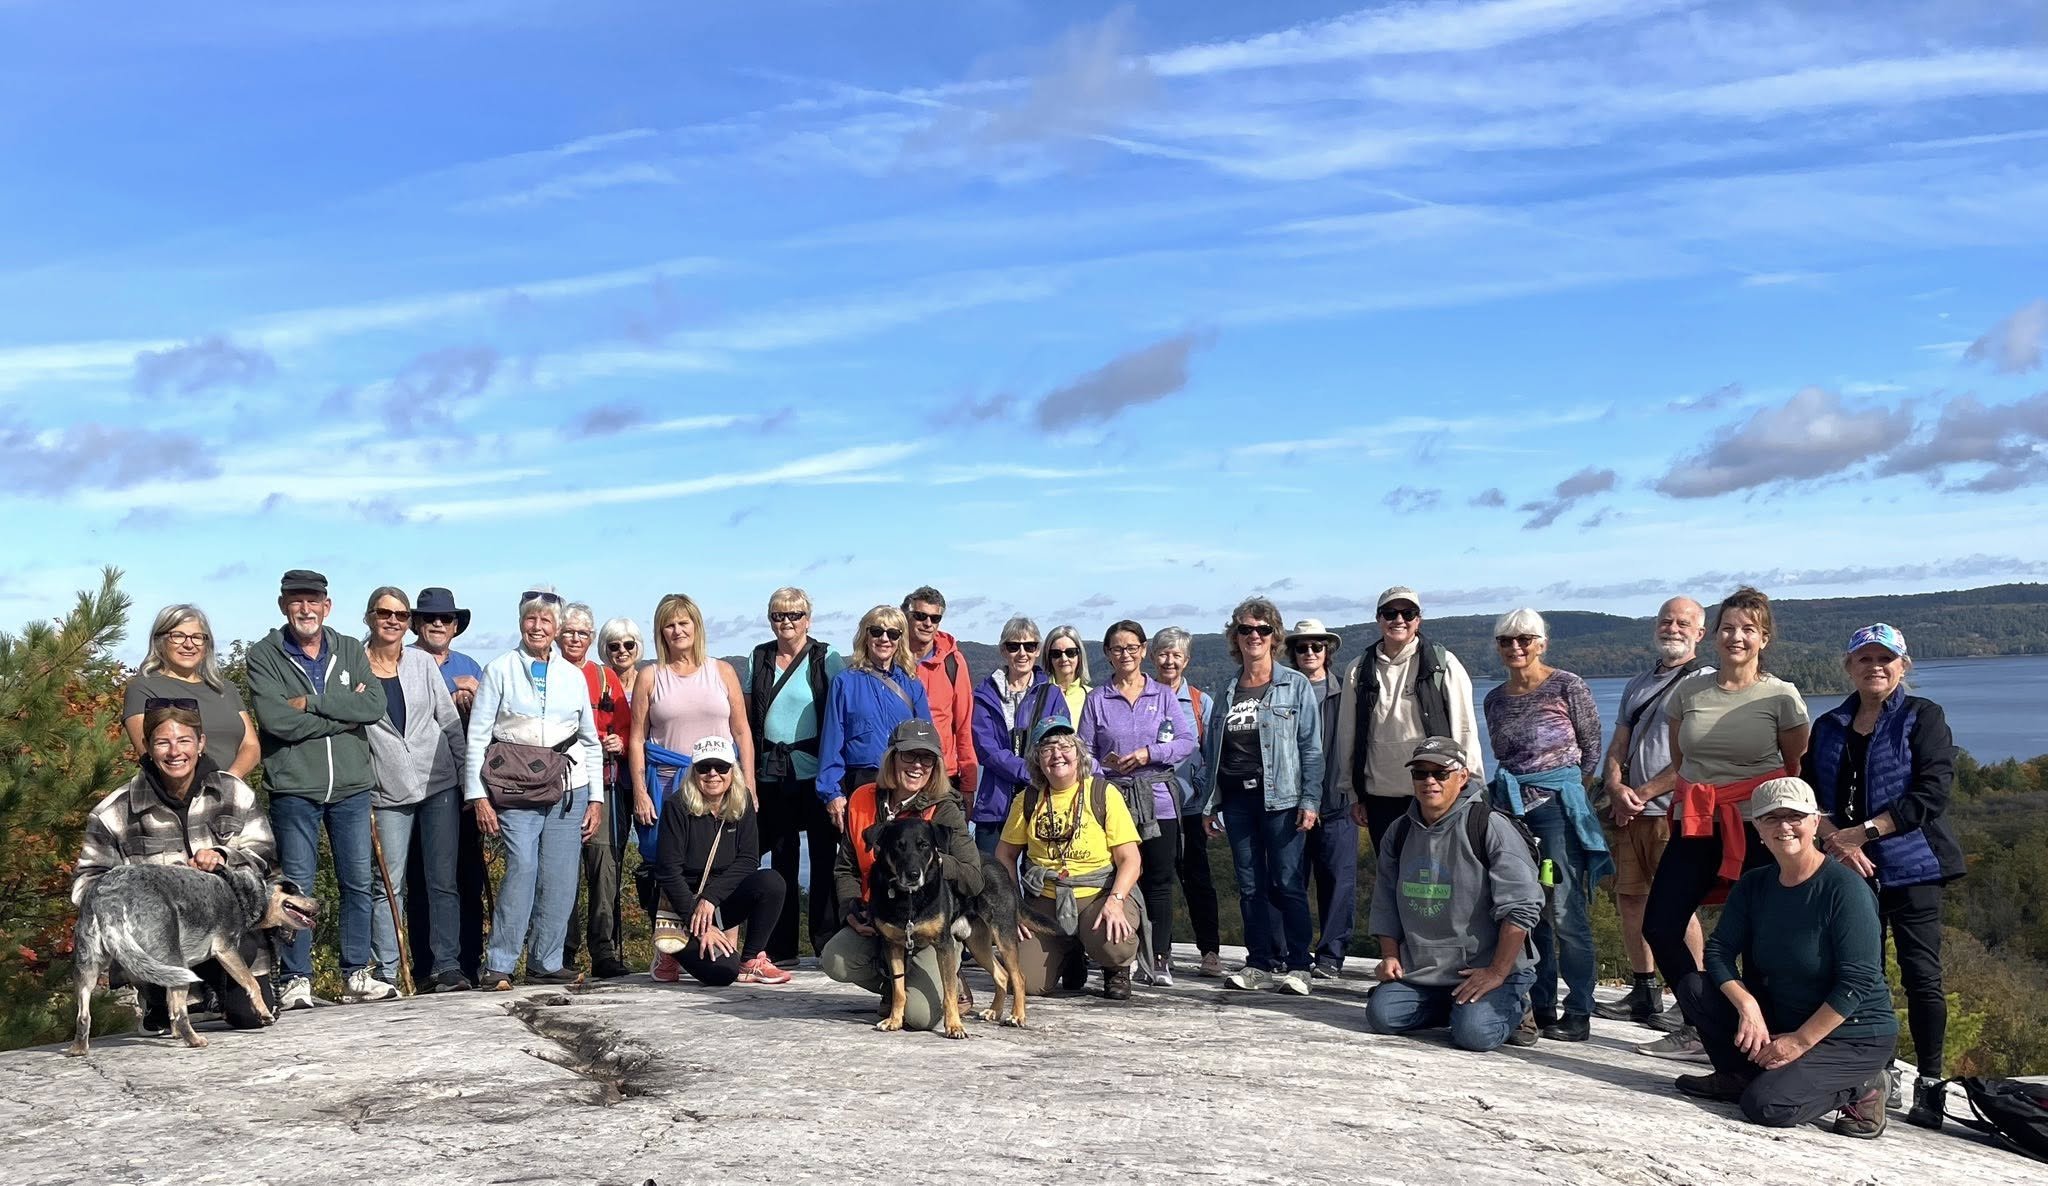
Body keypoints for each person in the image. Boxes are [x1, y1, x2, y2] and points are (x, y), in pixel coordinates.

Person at [1672, 778, 1897, 1139]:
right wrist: (1747, 1005)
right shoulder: (1755, 884)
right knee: (1694, 987)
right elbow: (1719, 951)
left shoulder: (1845, 890)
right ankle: (1738, 1076)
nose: (1784, 826)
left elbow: (1858, 981)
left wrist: (1799, 1042)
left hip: (1851, 1035)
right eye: (1771, 818)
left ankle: (1863, 1086)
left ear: (1814, 822)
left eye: (1795, 816)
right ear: (1757, 827)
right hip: (1783, 1016)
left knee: (1766, 1105)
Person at [1642, 586, 1810, 1062]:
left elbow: (1796, 766)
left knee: (1757, 937)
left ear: (1764, 639)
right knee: (1661, 925)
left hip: (1758, 828)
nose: (1737, 637)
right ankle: (1707, 1023)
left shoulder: (1781, 696)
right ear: (1715, 635)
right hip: (1698, 822)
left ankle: (1764, 1034)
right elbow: (1682, 759)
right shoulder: (1691, 689)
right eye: (1729, 628)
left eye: (1749, 630)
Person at [1807, 624, 1964, 1129]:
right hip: (1850, 869)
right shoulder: (1829, 725)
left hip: (1913, 866)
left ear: (1904, 665)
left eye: (1885, 659)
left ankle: (1931, 1084)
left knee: (1922, 977)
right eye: (1864, 659)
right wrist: (1836, 838)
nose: (1875, 667)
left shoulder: (1923, 717)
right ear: (1849, 667)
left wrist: (1864, 834)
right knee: (1863, 976)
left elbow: (1931, 793)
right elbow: (1810, 795)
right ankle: (1875, 1074)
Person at [74, 702, 280, 1032]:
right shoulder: (112, 811)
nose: (175, 752)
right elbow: (86, 883)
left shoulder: (233, 791)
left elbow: (264, 854)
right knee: (178, 1017)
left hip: (225, 930)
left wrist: (224, 858)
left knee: (251, 1017)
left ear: (200, 743)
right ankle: (159, 997)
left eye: (184, 741)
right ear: (148, 748)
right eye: (162, 742)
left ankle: (225, 994)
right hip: (156, 938)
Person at [246, 569, 394, 1008]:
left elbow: (373, 705)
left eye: (313, 601)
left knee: (357, 882)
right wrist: (342, 716)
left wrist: (312, 702)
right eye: (296, 601)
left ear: (327, 606)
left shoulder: (348, 647)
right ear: (283, 606)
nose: (305, 609)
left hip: (351, 785)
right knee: (296, 887)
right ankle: (296, 979)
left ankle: (357, 973)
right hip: (295, 788)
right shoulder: (264, 655)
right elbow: (276, 722)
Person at [463, 588, 605, 991]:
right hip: (514, 788)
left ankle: (545, 961)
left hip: (568, 787)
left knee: (560, 877)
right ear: (520, 622)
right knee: (522, 869)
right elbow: (478, 736)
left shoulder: (572, 676)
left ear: (557, 628)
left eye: (546, 621)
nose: (538, 626)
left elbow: (590, 740)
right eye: (531, 619)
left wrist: (595, 798)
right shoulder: (501, 669)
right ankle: (501, 963)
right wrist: (477, 795)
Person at [1364, 738, 1543, 1053]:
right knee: (1383, 1015)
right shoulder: (1400, 831)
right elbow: (1385, 900)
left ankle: (1515, 1006)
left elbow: (1522, 907)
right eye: (1420, 773)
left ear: (1462, 778)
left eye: (1440, 773)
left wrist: (1498, 972)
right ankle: (1459, 1010)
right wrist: (1390, 956)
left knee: (1474, 1035)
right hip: (1425, 972)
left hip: (1484, 969)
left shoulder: (1488, 825)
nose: (1429, 781)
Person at [1483, 608, 1608, 1043]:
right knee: (1526, 908)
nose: (1515, 647)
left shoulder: (1567, 686)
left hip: (1557, 811)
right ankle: (1540, 1003)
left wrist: (1565, 792)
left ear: (1542, 642)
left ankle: (1579, 1008)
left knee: (1564, 911)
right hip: (1513, 814)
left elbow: (1590, 752)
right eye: (1506, 640)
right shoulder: (1495, 698)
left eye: (1525, 639)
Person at [1199, 597, 1325, 996]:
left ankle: (1300, 965)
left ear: (1274, 636)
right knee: (1249, 884)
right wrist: (1210, 802)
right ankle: (1257, 963)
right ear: (1235, 636)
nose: (1254, 636)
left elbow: (1311, 748)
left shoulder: (1295, 684)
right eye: (1245, 629)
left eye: (1262, 629)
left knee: (1287, 882)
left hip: (1282, 799)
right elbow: (1212, 750)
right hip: (1237, 800)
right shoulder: (1227, 688)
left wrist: (1310, 800)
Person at [820, 720, 982, 1025]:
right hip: (882, 917)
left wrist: (933, 860)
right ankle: (897, 989)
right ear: (892, 757)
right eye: (909, 755)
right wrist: (851, 905)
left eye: (927, 758)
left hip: (928, 924)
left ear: (936, 765)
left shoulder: (945, 809)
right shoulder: (861, 799)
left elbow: (974, 878)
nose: (918, 765)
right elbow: (846, 868)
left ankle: (947, 978)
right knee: (836, 960)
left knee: (919, 1019)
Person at [1596, 598, 1711, 1029]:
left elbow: (1696, 753)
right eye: (1666, 621)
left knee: (1679, 906)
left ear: (1700, 633)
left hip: (1674, 814)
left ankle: (1691, 1000)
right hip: (1633, 813)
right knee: (1631, 900)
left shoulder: (1703, 683)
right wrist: (1613, 784)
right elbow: (1619, 743)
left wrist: (1639, 792)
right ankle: (1644, 990)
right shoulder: (1638, 683)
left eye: (1684, 623)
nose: (1673, 628)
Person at [628, 593, 756, 948]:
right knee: (666, 863)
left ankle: (727, 943)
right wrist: (639, 791)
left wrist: (751, 786)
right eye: (669, 624)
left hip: (722, 781)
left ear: (696, 627)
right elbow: (636, 738)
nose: (677, 630)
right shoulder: (650, 676)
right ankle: (669, 947)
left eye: (683, 622)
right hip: (669, 782)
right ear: (660, 632)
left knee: (726, 859)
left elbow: (742, 731)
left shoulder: (723, 671)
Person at [361, 586, 468, 993]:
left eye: (401, 615)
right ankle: (386, 972)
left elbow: (448, 721)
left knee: (443, 880)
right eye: (384, 613)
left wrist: (465, 779)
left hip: (438, 781)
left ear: (409, 623)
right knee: (388, 883)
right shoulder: (354, 665)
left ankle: (446, 966)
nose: (393, 621)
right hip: (385, 788)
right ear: (370, 617)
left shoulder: (422, 662)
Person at [1078, 620, 1195, 986]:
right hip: (1112, 799)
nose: (1125, 654)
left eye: (1132, 647)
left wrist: (1150, 754)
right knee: (1115, 877)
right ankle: (1120, 958)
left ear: (1143, 650)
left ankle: (1159, 957)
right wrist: (1106, 767)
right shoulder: (1097, 699)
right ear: (1107, 654)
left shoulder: (1162, 695)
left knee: (1159, 879)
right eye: (1117, 648)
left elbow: (1187, 741)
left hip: (1157, 798)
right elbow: (1083, 752)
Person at [996, 717, 1144, 999]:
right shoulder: (1027, 800)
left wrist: (1116, 901)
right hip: (1046, 897)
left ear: (1078, 753)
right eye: (1047, 749)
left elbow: (1130, 859)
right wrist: (1012, 904)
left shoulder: (1102, 793)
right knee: (1027, 983)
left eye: (1065, 746)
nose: (1057, 755)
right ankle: (1070, 950)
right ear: (1037, 760)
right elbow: (1005, 854)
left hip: (1097, 893)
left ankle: (1116, 967)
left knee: (1115, 942)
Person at [1334, 586, 1485, 852]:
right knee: (1392, 875)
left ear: (1419, 619)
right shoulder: (1358, 670)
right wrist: (1353, 793)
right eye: (1390, 613)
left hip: (1435, 790)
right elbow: (1347, 734)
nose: (1399, 620)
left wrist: (1472, 785)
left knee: (1440, 876)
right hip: (1381, 797)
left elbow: (1465, 729)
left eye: (1408, 612)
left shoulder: (1442, 664)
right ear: (1378, 619)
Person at [745, 587, 847, 963]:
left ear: (808, 618)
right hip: (772, 773)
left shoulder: (826, 658)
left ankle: (826, 942)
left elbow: (840, 712)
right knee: (782, 860)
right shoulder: (759, 657)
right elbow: (746, 714)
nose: (786, 622)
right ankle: (781, 946)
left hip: (815, 772)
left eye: (794, 615)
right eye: (778, 615)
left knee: (824, 858)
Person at [650, 736, 791, 987]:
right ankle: (670, 948)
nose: (713, 774)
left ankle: (750, 961)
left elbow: (749, 859)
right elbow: (668, 871)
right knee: (723, 973)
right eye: (704, 767)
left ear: (731, 770)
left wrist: (711, 899)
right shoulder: (677, 806)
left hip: (719, 901)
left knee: (772, 882)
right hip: (683, 904)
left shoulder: (742, 800)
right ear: (694, 772)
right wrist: (699, 921)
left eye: (721, 767)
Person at [407, 586, 488, 982]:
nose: (438, 624)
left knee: (466, 878)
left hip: (464, 786)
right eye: (429, 618)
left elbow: (495, 722)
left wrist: (477, 694)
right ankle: (426, 967)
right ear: (417, 624)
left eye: (446, 619)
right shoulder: (402, 661)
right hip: (414, 784)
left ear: (456, 626)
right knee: (421, 880)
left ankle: (466, 963)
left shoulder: (471, 665)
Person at [558, 603, 633, 980]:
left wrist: (621, 741)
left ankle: (604, 951)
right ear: (558, 635)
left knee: (604, 869)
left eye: (582, 633)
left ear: (591, 639)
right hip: (558, 788)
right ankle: (562, 952)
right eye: (569, 632)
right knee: (561, 872)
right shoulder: (547, 673)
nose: (575, 638)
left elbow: (627, 726)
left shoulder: (606, 679)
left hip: (603, 785)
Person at [816, 605, 931, 832]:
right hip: (862, 784)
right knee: (861, 861)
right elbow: (831, 744)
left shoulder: (912, 684)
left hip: (905, 782)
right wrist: (832, 793)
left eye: (893, 633)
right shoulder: (844, 682)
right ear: (865, 636)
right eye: (876, 632)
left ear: (900, 639)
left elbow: (927, 740)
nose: (884, 639)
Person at [1149, 627, 1223, 978]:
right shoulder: (1144, 699)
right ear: (1153, 657)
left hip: (1190, 807)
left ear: (1187, 660)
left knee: (1197, 879)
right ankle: (1157, 949)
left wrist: (1208, 801)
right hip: (1150, 807)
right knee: (1154, 879)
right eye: (1164, 653)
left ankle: (1209, 951)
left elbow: (1211, 756)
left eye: (1176, 655)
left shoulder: (1199, 702)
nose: (1169, 661)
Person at [1288, 618, 1357, 980]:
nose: (1310, 652)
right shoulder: (1283, 693)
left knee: (1338, 882)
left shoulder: (1347, 693)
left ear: (1327, 651)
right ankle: (1292, 950)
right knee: (1290, 881)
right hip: (1290, 802)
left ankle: (1331, 955)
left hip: (1336, 800)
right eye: (1302, 647)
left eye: (1317, 646)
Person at [121, 604, 260, 778]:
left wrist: (228, 781)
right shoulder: (143, 688)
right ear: (160, 641)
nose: (189, 644)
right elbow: (152, 754)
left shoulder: (225, 689)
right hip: (178, 798)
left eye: (197, 637)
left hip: (230, 794)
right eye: (178, 636)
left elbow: (251, 746)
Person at [970, 615, 1067, 857]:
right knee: (990, 881)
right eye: (1014, 646)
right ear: (1003, 651)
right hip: (995, 804)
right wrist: (1029, 771)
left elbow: (1060, 741)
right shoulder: (984, 694)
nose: (1022, 653)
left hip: (1041, 802)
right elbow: (986, 749)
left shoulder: (1052, 694)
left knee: (1038, 882)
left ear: (1038, 651)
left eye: (1029, 646)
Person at [903, 585, 978, 804]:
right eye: (920, 616)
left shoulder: (953, 663)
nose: (928, 623)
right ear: (906, 617)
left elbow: (963, 726)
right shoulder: (891, 660)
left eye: (935, 618)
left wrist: (969, 785)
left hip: (943, 775)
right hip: (899, 773)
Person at [1043, 624, 1092, 723]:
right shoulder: (1038, 696)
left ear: (1080, 656)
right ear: (1048, 658)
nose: (1064, 659)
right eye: (1056, 654)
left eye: (1070, 652)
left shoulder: (1093, 697)